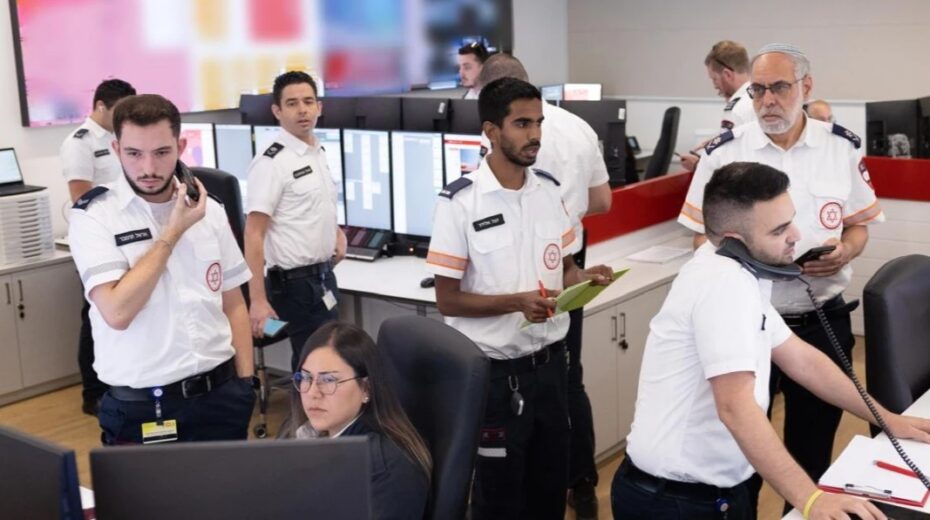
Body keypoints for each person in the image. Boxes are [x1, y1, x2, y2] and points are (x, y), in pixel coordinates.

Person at [612, 161, 930, 520]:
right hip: (675, 501)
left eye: (790, 219)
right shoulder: (721, 284)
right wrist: (811, 499)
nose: (796, 235)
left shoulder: (738, 270)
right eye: (779, 230)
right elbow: (736, 408)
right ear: (736, 241)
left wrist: (887, 418)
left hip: (712, 491)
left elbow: (802, 359)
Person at [678, 44, 885, 503]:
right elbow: (698, 239)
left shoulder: (840, 148)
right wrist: (755, 262)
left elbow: (859, 226)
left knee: (812, 455)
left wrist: (844, 252)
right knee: (741, 457)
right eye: (758, 90)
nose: (767, 100)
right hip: (747, 326)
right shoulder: (724, 155)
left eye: (779, 88)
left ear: (805, 87)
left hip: (821, 321)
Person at [426, 77, 614, 519]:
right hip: (495, 378)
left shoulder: (549, 192)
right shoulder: (459, 203)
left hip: (551, 369)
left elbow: (565, 268)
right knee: (500, 499)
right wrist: (516, 302)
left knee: (550, 489)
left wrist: (586, 278)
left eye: (539, 123)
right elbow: (447, 301)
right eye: (522, 124)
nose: (535, 135)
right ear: (491, 131)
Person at [68, 94, 256, 444]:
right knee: (147, 501)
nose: (148, 168)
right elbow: (117, 312)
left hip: (221, 396)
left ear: (181, 146)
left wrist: (246, 383)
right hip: (143, 408)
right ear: (116, 148)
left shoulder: (209, 209)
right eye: (134, 154)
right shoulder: (94, 215)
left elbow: (233, 301)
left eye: (161, 152)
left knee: (228, 498)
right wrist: (172, 232)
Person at [476, 52, 612, 520]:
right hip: (564, 257)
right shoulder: (576, 126)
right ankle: (583, 484)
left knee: (542, 383)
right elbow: (603, 200)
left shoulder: (495, 139)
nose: (531, 134)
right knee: (566, 378)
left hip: (538, 262)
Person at [244, 71, 346, 371]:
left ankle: (309, 417)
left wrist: (336, 234)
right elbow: (253, 233)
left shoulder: (317, 152)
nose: (302, 109)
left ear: (319, 107)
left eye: (308, 101)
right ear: (277, 111)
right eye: (292, 103)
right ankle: (306, 418)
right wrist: (258, 301)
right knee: (315, 365)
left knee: (323, 360)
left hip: (324, 277)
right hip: (294, 286)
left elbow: (314, 207)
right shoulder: (271, 162)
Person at [280, 322, 431, 520]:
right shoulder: (298, 429)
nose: (312, 393)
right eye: (306, 377)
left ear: (366, 389)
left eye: (329, 380)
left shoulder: (386, 470)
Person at [59, 78, 137, 416]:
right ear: (101, 106)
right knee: (95, 318)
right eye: (120, 110)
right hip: (99, 242)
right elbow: (81, 196)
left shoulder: (121, 137)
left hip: (130, 239)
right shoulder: (81, 142)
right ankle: (93, 393)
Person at [681, 41, 754, 171]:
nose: (715, 86)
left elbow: (731, 166)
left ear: (727, 75)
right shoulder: (758, 97)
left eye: (714, 79)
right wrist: (720, 140)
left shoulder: (736, 108)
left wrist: (698, 165)